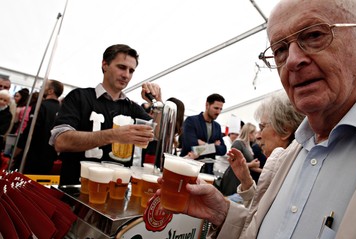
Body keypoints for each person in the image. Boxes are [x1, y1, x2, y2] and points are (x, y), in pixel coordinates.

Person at [159, 0, 356, 239]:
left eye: (314, 35)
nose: (292, 60)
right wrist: (223, 214)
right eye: (279, 50)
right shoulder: (292, 150)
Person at [50, 44, 162, 185]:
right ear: (105, 64)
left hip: (117, 194)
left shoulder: (133, 107)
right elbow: (61, 141)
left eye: (131, 71)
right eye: (121, 67)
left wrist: (158, 103)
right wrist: (114, 135)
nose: (126, 75)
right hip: (77, 191)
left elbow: (158, 134)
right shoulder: (79, 97)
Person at [235, 91, 304, 206]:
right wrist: (246, 182)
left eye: (262, 127)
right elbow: (258, 215)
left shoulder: (292, 175)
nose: (258, 135)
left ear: (285, 130)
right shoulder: (285, 167)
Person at [12, 80, 64, 174]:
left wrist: (17, 151)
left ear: (50, 91)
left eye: (43, 86)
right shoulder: (62, 109)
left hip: (32, 155)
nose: (41, 89)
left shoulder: (40, 106)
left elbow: (30, 131)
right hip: (49, 158)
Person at [180, 93, 227, 174]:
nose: (218, 112)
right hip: (189, 167)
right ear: (207, 105)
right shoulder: (191, 121)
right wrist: (213, 146)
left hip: (207, 171)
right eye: (216, 108)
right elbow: (189, 145)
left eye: (220, 109)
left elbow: (223, 150)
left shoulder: (217, 127)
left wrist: (202, 144)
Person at [218, 123, 260, 196]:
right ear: (249, 133)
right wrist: (252, 164)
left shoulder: (247, 145)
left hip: (240, 177)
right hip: (233, 177)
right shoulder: (238, 143)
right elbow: (233, 162)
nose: (255, 136)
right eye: (254, 133)